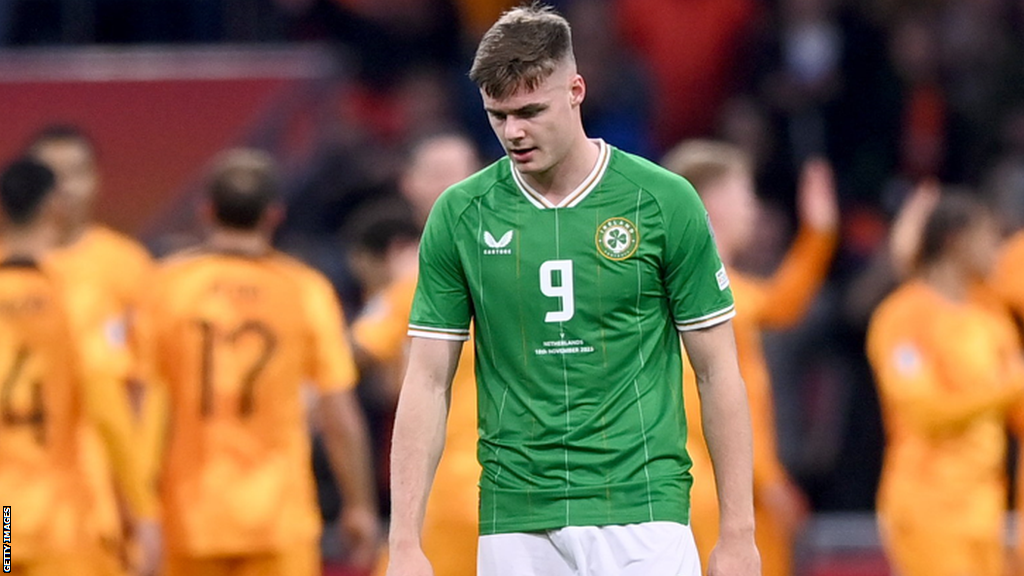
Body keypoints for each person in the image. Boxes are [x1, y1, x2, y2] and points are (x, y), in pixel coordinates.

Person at [386, 5, 759, 576]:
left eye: (531, 111)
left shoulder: (662, 201)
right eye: (498, 115)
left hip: (643, 510)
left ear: (576, 90)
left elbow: (717, 372)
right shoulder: (459, 216)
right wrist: (404, 543)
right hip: (515, 518)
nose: (514, 132)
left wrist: (738, 533)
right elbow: (426, 380)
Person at [136, 149, 381, 576]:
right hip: (280, 516)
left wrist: (139, 507)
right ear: (274, 214)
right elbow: (339, 413)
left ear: (206, 211)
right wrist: (359, 505)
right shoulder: (305, 290)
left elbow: (144, 406)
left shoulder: (166, 288)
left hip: (191, 513)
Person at [663, 141, 836, 576]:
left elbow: (781, 304)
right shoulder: (702, 294)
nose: (753, 211)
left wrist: (819, 235)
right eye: (746, 195)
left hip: (713, 485)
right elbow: (705, 400)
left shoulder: (715, 285)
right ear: (712, 202)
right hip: (715, 489)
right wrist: (766, 478)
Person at [0, 158, 159, 576]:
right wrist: (142, 511)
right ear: (55, 207)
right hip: (63, 520)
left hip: (4, 524)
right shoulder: (76, 300)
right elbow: (108, 411)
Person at [867, 192, 1024, 576]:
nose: (997, 250)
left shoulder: (991, 319)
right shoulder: (902, 316)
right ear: (956, 240)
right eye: (988, 237)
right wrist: (1010, 387)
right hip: (927, 508)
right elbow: (924, 412)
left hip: (986, 510)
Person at [355, 135, 481, 576]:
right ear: (409, 183)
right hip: (448, 482)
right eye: (439, 173)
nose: (453, 184)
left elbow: (351, 356)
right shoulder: (412, 278)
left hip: (460, 485)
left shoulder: (418, 276)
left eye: (460, 170)